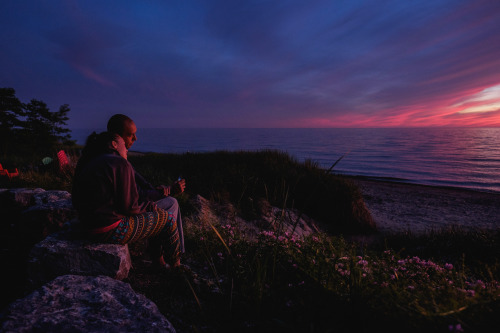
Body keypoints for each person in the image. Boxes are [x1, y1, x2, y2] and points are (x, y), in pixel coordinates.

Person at [72, 131, 182, 270]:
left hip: (88, 226)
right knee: (168, 220)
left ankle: (160, 263)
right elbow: (129, 207)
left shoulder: (90, 161)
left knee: (157, 215)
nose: (127, 148)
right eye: (124, 144)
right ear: (114, 144)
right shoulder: (119, 163)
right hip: (109, 230)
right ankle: (177, 268)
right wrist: (148, 207)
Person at [106, 114, 187, 260]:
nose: (135, 139)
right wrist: (153, 203)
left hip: (104, 219)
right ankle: (173, 260)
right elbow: (132, 201)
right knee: (168, 208)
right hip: (111, 226)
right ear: (117, 138)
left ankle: (160, 257)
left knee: (166, 204)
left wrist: (159, 192)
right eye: (130, 135)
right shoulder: (118, 162)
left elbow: (135, 190)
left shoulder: (103, 155)